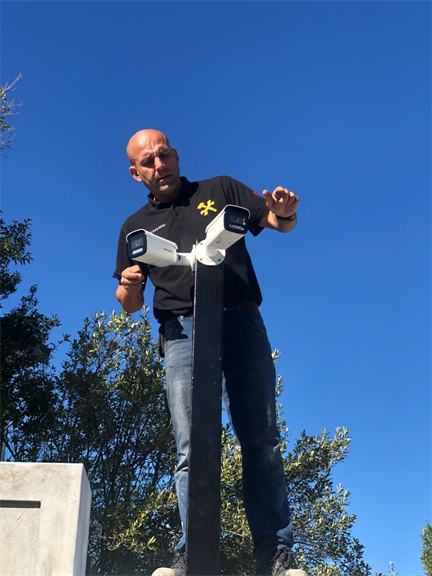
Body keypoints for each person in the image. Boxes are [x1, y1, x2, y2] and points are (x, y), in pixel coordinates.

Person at [114, 129, 307, 576]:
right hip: (181, 333)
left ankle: (276, 557)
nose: (159, 165)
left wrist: (285, 213)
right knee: (192, 446)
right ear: (136, 173)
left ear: (176, 155)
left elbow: (275, 221)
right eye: (148, 161)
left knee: (260, 439)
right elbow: (129, 304)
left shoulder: (220, 189)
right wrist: (129, 285)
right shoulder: (134, 227)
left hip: (241, 322)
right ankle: (193, 554)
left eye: (164, 155)